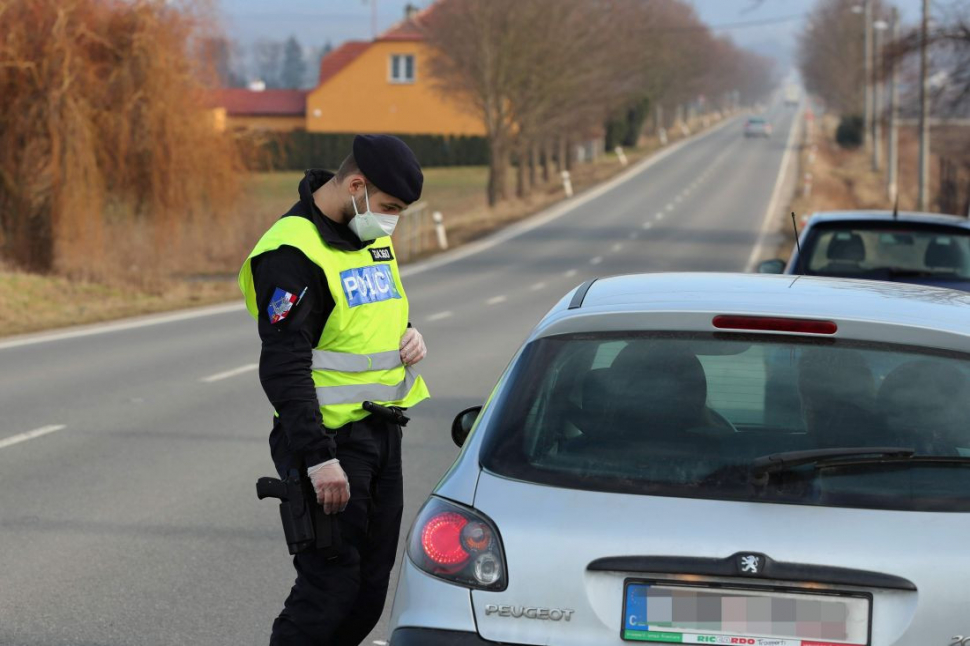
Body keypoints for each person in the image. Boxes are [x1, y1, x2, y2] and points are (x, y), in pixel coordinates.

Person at [238, 134, 431, 645]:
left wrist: (408, 334)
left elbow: (373, 309)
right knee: (329, 589)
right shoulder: (291, 253)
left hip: (382, 434)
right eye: (390, 207)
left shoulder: (370, 233)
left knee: (368, 591)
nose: (394, 221)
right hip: (326, 443)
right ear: (356, 186)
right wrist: (318, 457)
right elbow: (283, 364)